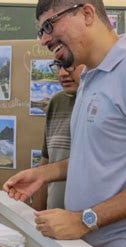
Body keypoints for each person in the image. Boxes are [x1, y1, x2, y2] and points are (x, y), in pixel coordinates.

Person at [3, 1, 126, 247]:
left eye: (50, 25)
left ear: (86, 13)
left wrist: (85, 219)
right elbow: (99, 156)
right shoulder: (90, 79)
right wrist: (43, 174)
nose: (46, 39)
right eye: (41, 32)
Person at [31, 61, 84, 211]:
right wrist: (36, 218)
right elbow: (46, 162)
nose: (62, 73)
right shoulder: (56, 102)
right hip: (54, 220)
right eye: (58, 66)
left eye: (70, 64)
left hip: (90, 223)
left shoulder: (106, 103)